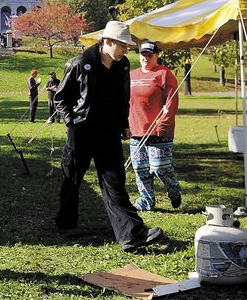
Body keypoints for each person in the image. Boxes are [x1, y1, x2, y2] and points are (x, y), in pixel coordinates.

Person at [53, 21, 163, 251]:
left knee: (115, 182)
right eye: (123, 45)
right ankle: (66, 224)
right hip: (81, 132)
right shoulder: (78, 64)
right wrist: (71, 121)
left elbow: (122, 99)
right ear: (108, 42)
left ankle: (131, 235)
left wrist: (123, 124)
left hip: (108, 132)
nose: (127, 50)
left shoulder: (123, 66)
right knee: (72, 178)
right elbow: (60, 98)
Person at [128, 40, 181, 211]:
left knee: (159, 168)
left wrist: (163, 125)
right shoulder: (132, 75)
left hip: (158, 130)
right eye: (143, 54)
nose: (146, 57)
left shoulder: (164, 74)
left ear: (156, 56)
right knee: (140, 168)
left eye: (150, 54)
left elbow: (171, 102)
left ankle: (173, 189)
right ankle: (146, 201)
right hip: (136, 129)